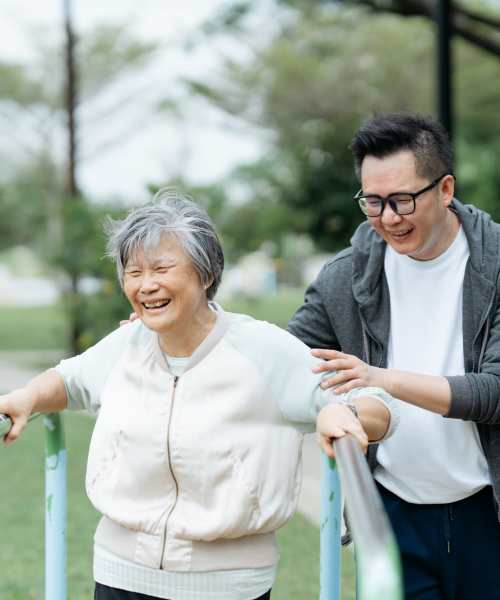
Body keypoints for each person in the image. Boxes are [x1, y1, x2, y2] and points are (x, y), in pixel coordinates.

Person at [0, 190, 397, 600]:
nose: (146, 285)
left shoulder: (262, 349)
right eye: (133, 272)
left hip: (228, 585)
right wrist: (28, 397)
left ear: (206, 273)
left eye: (161, 268)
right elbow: (71, 380)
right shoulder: (128, 343)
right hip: (120, 577)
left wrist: (344, 413)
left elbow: (379, 408)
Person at [288, 111, 500, 600]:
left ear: (445, 189)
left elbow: (494, 391)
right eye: (373, 202)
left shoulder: (495, 265)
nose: (388, 218)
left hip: (489, 510)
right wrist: (184, 328)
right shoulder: (346, 276)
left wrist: (378, 378)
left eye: (402, 200)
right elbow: (288, 354)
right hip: (393, 510)